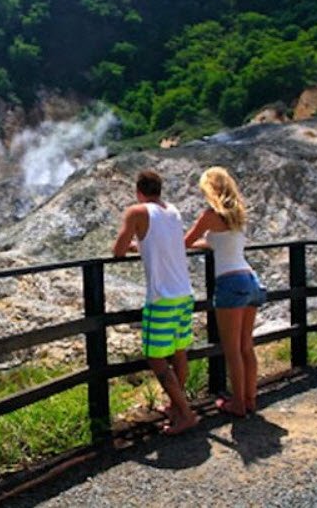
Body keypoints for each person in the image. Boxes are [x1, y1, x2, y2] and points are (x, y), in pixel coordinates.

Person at [112, 169, 199, 435]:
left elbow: (117, 251)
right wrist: (140, 246)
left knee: (156, 357)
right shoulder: (172, 211)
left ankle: (185, 413)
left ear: (139, 191)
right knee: (179, 351)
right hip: (184, 292)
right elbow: (160, 243)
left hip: (162, 297)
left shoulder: (137, 212)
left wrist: (129, 245)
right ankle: (176, 405)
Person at [184, 166, 266, 417]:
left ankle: (238, 404)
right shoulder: (237, 215)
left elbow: (185, 243)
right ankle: (250, 399)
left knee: (232, 350)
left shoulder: (210, 215)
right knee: (246, 347)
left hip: (230, 283)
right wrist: (206, 244)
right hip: (251, 279)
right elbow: (216, 242)